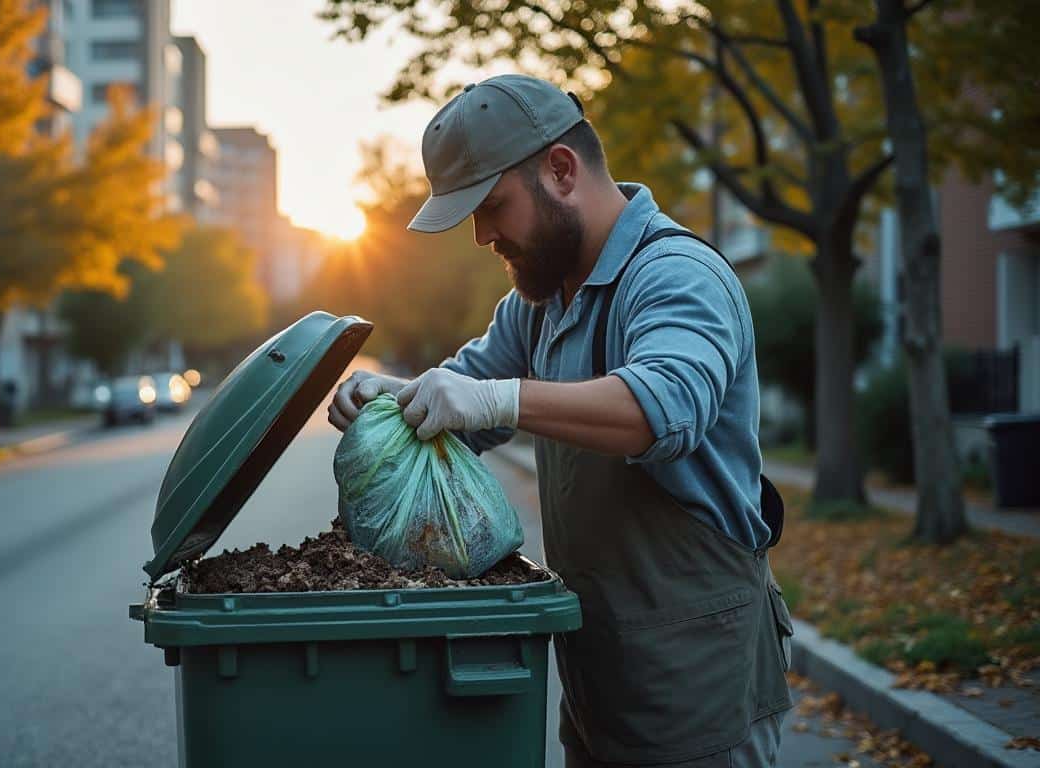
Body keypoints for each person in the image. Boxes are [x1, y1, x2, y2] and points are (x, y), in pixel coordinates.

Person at [327, 74, 794, 768]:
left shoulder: (676, 275)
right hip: (597, 678)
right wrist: (399, 399)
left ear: (562, 170)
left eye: (492, 206)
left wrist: (495, 399)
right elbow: (464, 399)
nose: (483, 236)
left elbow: (659, 409)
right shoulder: (539, 304)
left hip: (698, 677)